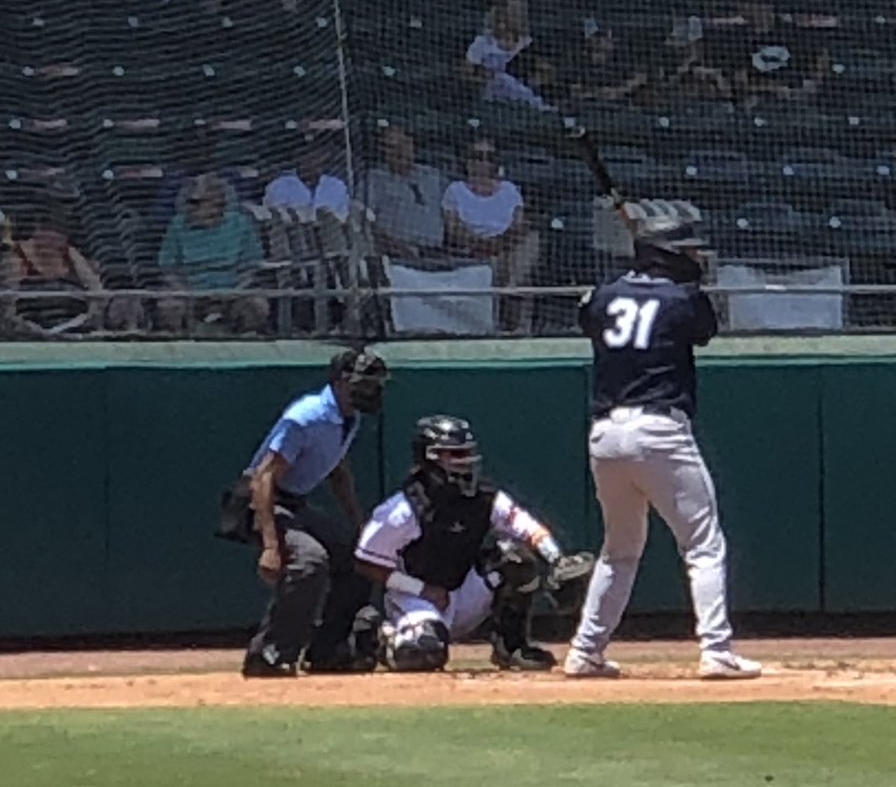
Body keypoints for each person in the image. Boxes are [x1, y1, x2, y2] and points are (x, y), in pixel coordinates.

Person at [565, 212, 762, 680]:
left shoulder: (604, 293)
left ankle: (585, 650)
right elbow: (704, 329)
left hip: (606, 435)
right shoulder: (683, 298)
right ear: (667, 254)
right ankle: (716, 650)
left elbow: (587, 317)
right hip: (659, 431)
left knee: (619, 549)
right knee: (704, 545)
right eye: (686, 249)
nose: (696, 256)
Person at [354, 415, 594, 672]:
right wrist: (421, 589)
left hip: (466, 592)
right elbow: (365, 562)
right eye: (456, 454)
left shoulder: (485, 498)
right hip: (418, 598)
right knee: (424, 656)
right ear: (430, 458)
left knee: (515, 557)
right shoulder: (403, 509)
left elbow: (527, 528)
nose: (466, 461)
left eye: (468, 453)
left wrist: (556, 557)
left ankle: (510, 646)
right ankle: (376, 636)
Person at [217, 348, 390, 677]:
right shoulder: (306, 417)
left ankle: (328, 650)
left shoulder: (349, 418)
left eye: (375, 384)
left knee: (359, 557)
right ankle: (269, 653)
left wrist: (358, 525)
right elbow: (263, 478)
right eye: (365, 383)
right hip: (259, 501)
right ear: (341, 382)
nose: (372, 391)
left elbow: (338, 470)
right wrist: (271, 546)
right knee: (310, 561)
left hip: (294, 502)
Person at [442, 138, 539, 333]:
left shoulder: (509, 189)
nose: (483, 162)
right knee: (498, 262)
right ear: (467, 160)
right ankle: (506, 301)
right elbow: (453, 228)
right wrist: (482, 243)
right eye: (478, 156)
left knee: (530, 242)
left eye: (489, 157)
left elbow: (519, 224)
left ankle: (512, 291)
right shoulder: (455, 190)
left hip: (507, 246)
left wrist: (502, 243)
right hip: (473, 246)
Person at [156, 172, 268, 333]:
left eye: (219, 205)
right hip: (189, 291)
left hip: (234, 290)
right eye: (193, 203)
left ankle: (245, 338)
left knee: (257, 304)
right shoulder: (177, 225)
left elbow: (250, 268)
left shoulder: (240, 223)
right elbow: (168, 269)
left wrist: (233, 292)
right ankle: (181, 340)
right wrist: (187, 292)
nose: (215, 211)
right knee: (169, 305)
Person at [0, 211, 143, 336]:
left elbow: (96, 290)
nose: (51, 239)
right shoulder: (18, 254)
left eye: (57, 234)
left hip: (76, 325)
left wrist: (90, 317)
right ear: (37, 232)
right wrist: (22, 327)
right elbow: (6, 299)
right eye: (45, 231)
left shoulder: (70, 254)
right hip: (30, 328)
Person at [361, 125, 449, 259]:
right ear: (383, 151)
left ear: (413, 146)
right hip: (396, 254)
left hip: (438, 254)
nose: (400, 151)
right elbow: (362, 219)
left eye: (404, 144)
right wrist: (394, 246)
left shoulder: (433, 176)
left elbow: (452, 213)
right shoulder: (374, 179)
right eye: (392, 146)